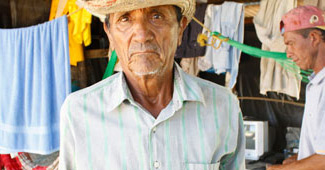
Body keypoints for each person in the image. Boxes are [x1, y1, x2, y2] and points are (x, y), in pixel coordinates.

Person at [59, 0, 245, 169]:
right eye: (125, 19)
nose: (142, 35)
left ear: (180, 29)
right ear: (110, 34)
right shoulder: (78, 111)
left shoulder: (223, 106)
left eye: (157, 16)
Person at [267, 5, 325, 170]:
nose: (288, 53)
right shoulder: (316, 83)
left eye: (291, 43)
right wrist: (299, 159)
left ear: (313, 38)